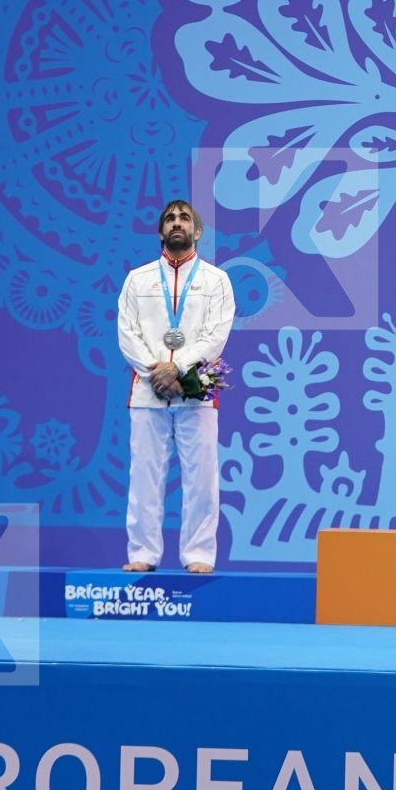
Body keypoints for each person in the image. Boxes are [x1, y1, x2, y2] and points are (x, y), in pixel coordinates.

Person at [117, 200, 236, 573]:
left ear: (197, 231)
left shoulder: (217, 280)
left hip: (195, 390)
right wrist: (156, 371)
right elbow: (126, 333)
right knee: (144, 475)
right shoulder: (138, 279)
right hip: (148, 390)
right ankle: (143, 553)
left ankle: (199, 554)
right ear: (161, 232)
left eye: (184, 218)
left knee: (202, 476)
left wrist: (178, 367)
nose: (176, 223)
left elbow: (216, 336)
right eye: (170, 219)